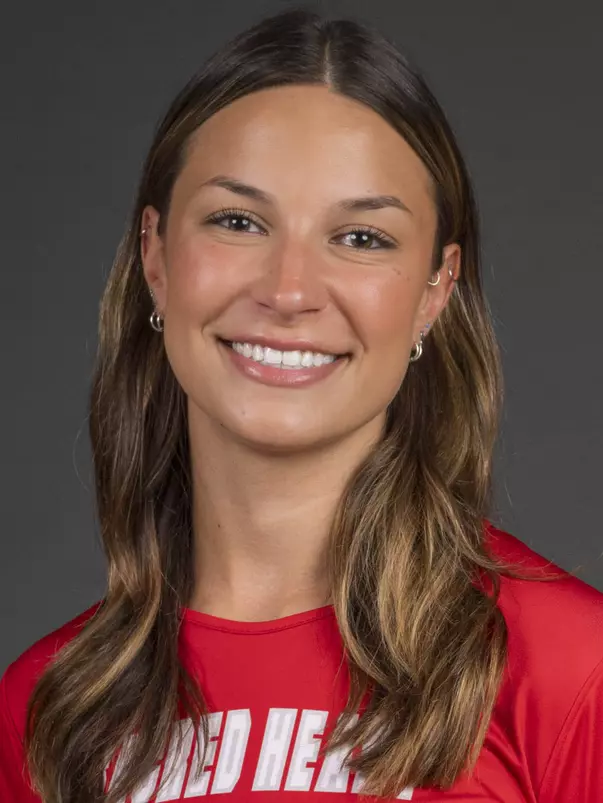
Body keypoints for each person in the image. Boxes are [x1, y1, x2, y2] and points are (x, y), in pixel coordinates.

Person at [1, 7, 602, 802]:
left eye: (361, 238)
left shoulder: (568, 666)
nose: (287, 291)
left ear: (433, 291)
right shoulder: (48, 707)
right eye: (237, 221)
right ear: (155, 258)